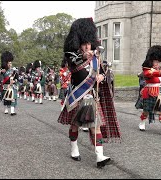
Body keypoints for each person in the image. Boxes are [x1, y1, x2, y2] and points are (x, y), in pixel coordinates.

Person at [57, 18, 121, 168]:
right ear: (78, 43)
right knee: (74, 126)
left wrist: (101, 76)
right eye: (84, 44)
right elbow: (75, 62)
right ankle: (74, 148)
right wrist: (84, 56)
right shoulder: (71, 55)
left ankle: (100, 156)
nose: (87, 47)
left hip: (92, 97)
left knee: (95, 126)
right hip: (77, 97)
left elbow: (106, 74)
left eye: (89, 43)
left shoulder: (96, 58)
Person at [136, 45, 161, 135]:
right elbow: (152, 74)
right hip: (150, 93)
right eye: (155, 61)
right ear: (151, 60)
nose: (157, 63)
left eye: (158, 61)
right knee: (146, 111)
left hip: (160, 94)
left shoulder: (160, 70)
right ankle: (142, 122)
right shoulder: (147, 70)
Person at [0, 51, 18, 115]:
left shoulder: (14, 71)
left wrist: (14, 81)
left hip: (13, 86)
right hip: (6, 86)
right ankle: (6, 109)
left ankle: (12, 111)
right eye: (9, 63)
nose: (10, 64)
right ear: (6, 63)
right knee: (6, 98)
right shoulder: (4, 71)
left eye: (11, 63)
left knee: (13, 98)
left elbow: (16, 78)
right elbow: (2, 78)